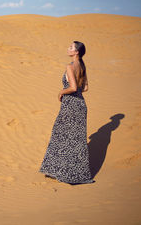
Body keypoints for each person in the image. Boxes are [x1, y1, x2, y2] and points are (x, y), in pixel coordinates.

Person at [38, 41, 94, 184]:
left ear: (76, 52)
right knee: (75, 140)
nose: (68, 48)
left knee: (61, 134)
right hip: (81, 104)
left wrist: (61, 92)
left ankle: (61, 171)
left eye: (71, 47)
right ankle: (75, 174)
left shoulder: (70, 66)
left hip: (70, 105)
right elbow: (85, 87)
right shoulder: (82, 66)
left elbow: (74, 87)